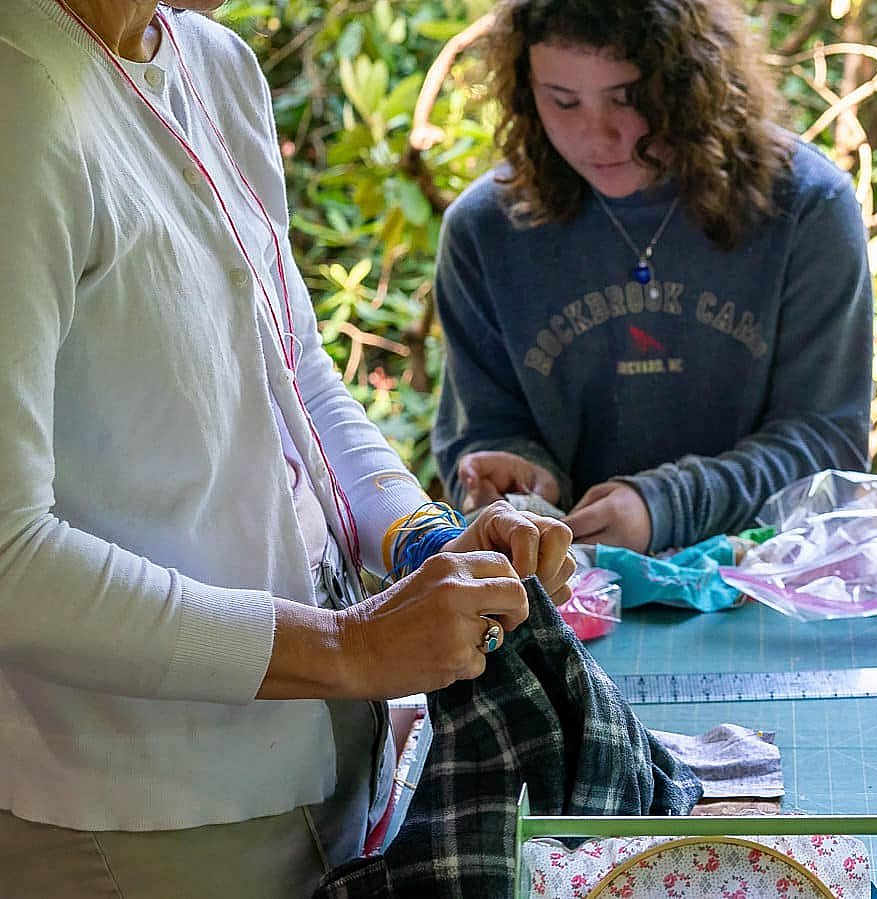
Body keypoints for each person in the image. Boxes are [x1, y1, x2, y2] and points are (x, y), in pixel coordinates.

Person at [0, 2, 573, 895]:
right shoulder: (20, 93)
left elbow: (294, 372)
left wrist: (423, 542)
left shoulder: (212, 60)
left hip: (327, 764)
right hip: (145, 815)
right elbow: (10, 563)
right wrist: (348, 646)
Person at [431, 0, 875, 555]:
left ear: (692, 86)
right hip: (578, 593)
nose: (598, 135)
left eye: (628, 98)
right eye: (563, 101)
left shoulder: (806, 206)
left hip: (769, 581)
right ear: (526, 93)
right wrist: (523, 480)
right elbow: (483, 432)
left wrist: (664, 506)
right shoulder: (484, 231)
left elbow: (828, 444)